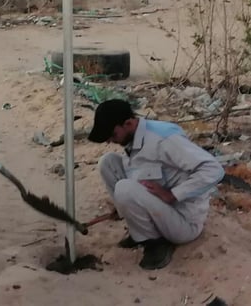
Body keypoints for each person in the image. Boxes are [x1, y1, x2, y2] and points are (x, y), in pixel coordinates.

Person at [87, 99, 224, 270]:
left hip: (183, 221)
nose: (110, 141)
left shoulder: (163, 139)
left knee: (124, 188)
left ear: (128, 123)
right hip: (160, 211)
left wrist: (173, 194)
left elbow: (214, 169)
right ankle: (138, 230)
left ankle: (155, 243)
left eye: (113, 135)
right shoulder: (134, 136)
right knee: (107, 163)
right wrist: (123, 207)